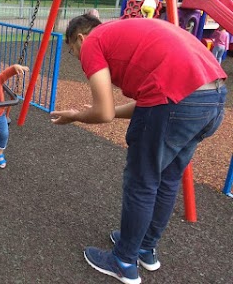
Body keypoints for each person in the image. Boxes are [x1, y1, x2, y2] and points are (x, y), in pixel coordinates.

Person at [51, 14, 226, 284]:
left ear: (80, 39)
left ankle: (123, 260)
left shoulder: (93, 42)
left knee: (141, 182)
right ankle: (145, 247)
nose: (79, 60)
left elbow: (105, 112)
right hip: (212, 99)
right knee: (167, 179)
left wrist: (77, 115)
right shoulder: (126, 32)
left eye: (75, 53)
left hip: (176, 100)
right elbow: (150, 102)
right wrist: (95, 111)